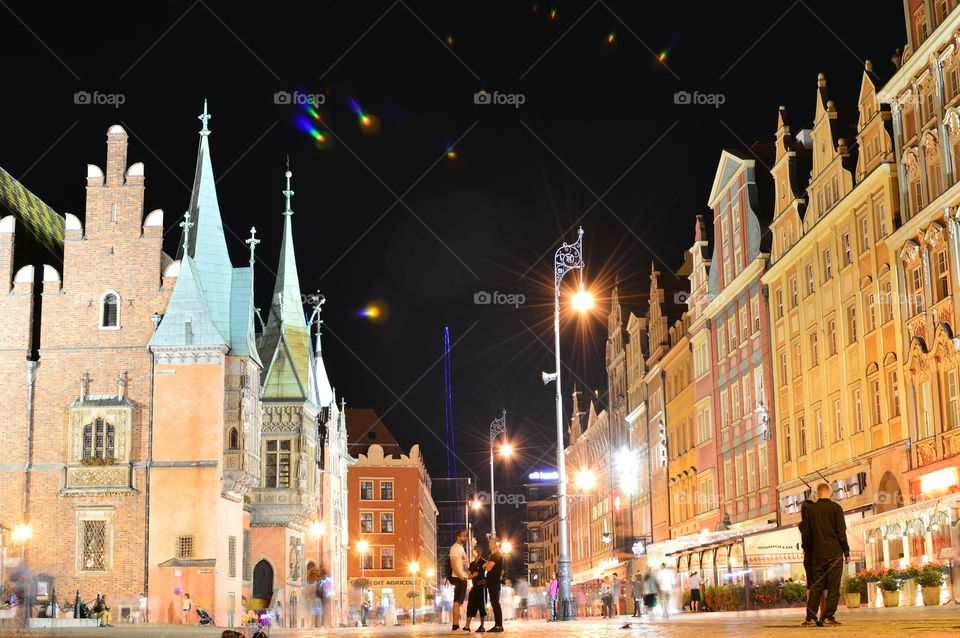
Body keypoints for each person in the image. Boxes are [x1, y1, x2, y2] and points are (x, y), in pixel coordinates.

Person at [799, 483, 849, 627]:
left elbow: (806, 534)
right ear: (829, 492)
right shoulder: (836, 508)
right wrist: (846, 551)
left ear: (818, 494)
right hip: (834, 553)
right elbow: (841, 531)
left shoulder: (811, 510)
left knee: (816, 586)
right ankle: (828, 617)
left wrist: (808, 550)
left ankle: (810, 618)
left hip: (817, 554)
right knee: (834, 587)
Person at [799, 496, 827, 619]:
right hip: (815, 557)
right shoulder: (810, 524)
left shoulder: (802, 524)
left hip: (808, 558)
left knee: (812, 587)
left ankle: (812, 614)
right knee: (820, 587)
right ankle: (822, 613)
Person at [449, 529, 470, 631]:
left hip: (462, 577)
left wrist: (467, 574)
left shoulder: (461, 548)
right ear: (458, 537)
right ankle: (455, 625)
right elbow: (453, 564)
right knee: (457, 602)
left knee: (458, 602)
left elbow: (463, 563)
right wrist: (461, 576)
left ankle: (456, 624)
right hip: (458, 578)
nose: (465, 538)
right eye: (463, 536)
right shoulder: (455, 548)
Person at [483, 537, 505, 632]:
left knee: (495, 603)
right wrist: (486, 564)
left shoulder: (497, 555)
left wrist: (486, 565)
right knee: (494, 603)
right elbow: (486, 566)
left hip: (494, 582)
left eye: (491, 542)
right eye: (489, 542)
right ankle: (498, 625)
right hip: (492, 582)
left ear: (496, 544)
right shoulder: (492, 555)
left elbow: (488, 567)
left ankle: (499, 626)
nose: (489, 544)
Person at [465, 545, 488, 632]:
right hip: (474, 588)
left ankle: (482, 626)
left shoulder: (483, 562)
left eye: (474, 551)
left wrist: (480, 578)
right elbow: (469, 573)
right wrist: (470, 574)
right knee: (470, 606)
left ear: (478, 551)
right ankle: (467, 626)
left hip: (481, 588)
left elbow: (487, 576)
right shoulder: (471, 564)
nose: (472, 553)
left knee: (482, 607)